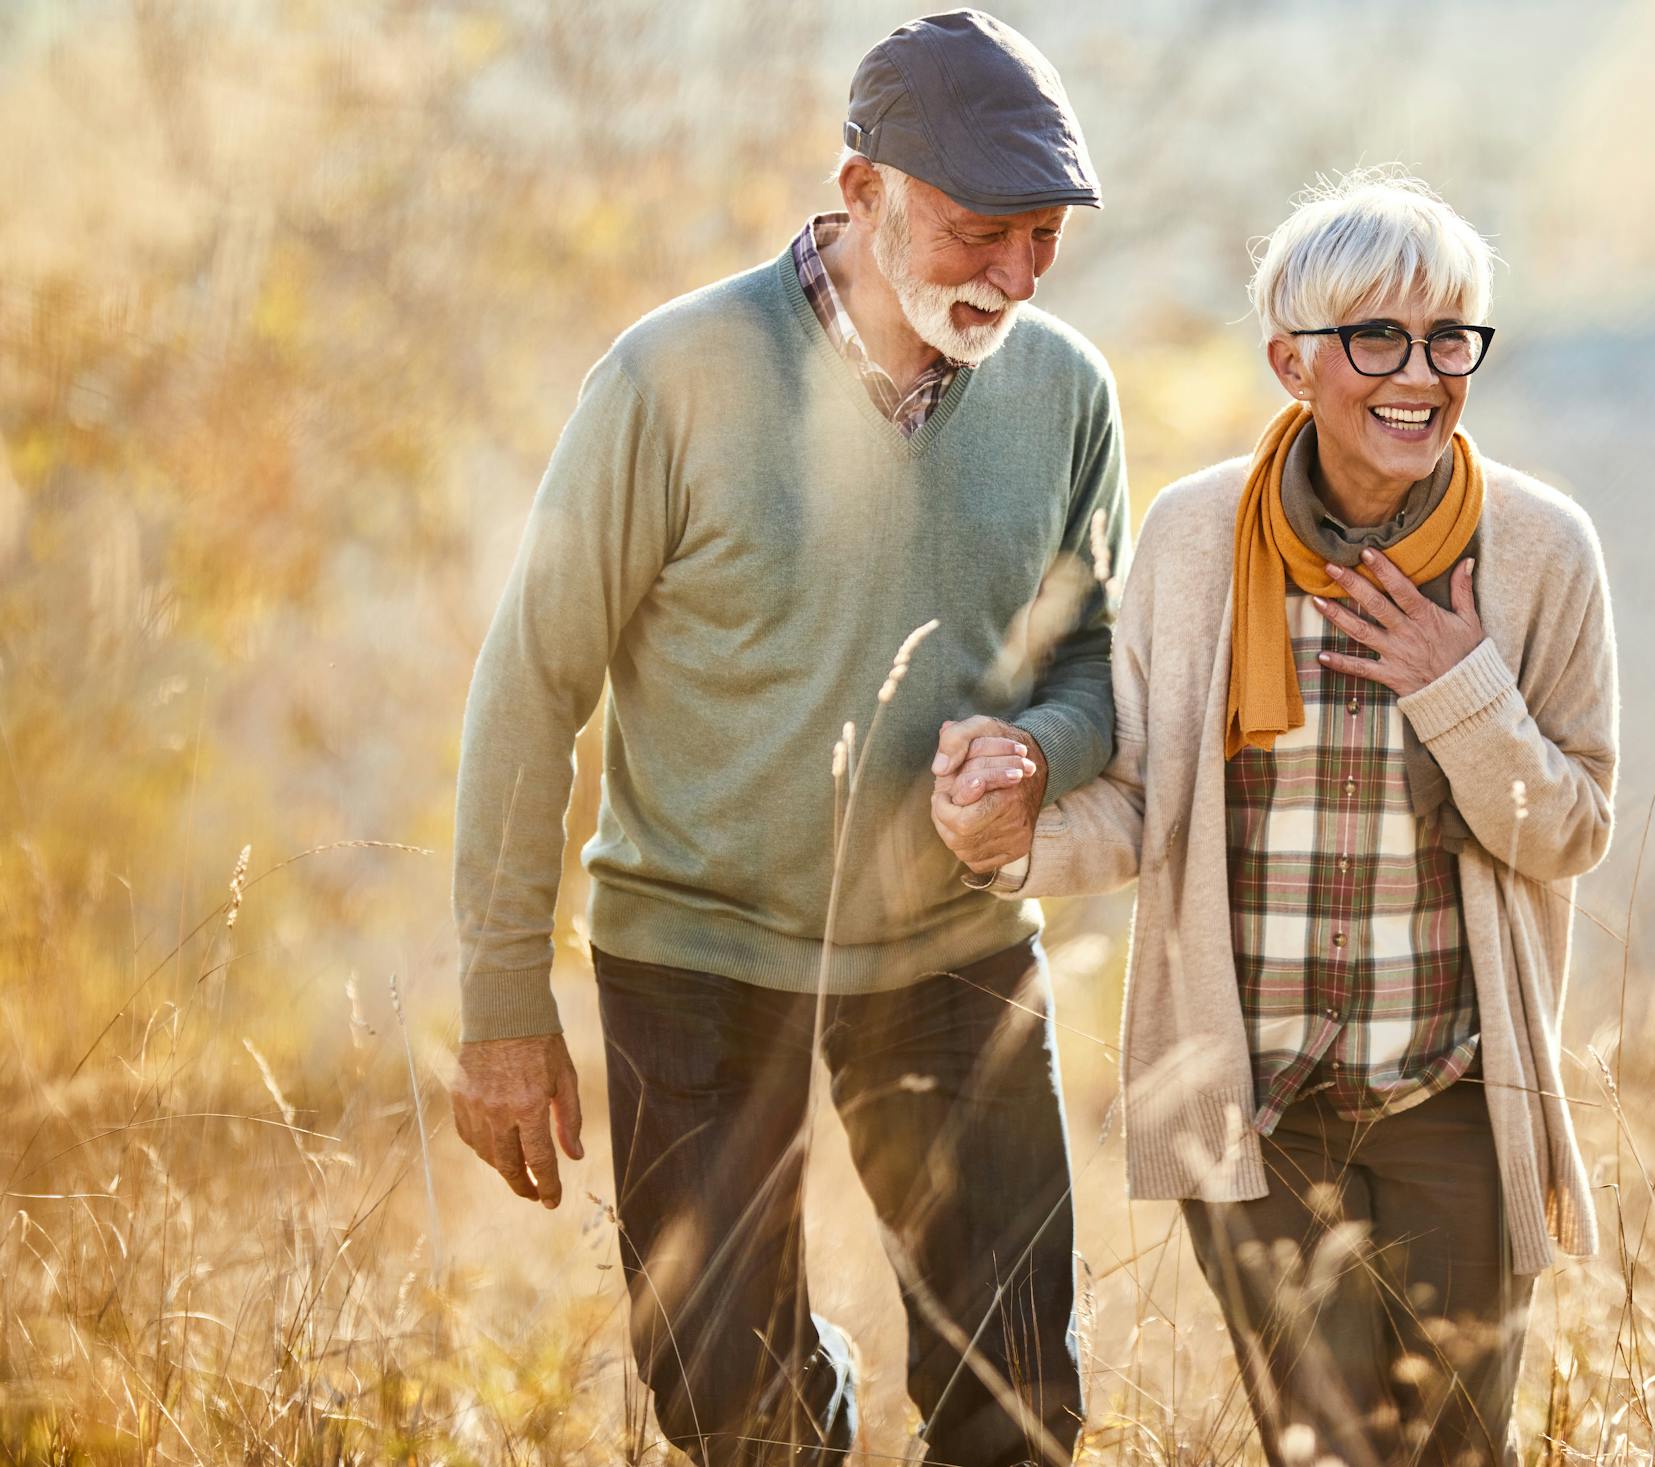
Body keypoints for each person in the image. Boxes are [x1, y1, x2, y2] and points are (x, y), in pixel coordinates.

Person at [446, 12, 1127, 1464]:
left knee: (1019, 1398)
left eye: (1043, 237)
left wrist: (1039, 756)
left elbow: (1097, 662)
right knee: (733, 1407)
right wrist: (504, 1003)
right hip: (697, 948)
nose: (1013, 274)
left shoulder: (1066, 392)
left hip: (950, 947)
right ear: (861, 186)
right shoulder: (670, 377)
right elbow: (530, 684)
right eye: (977, 229)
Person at [934, 168, 1618, 1466]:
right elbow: (1144, 804)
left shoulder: (1541, 552)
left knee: (1456, 1455)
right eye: (1377, 336)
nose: (1420, 373)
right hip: (1257, 1119)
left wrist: (1459, 687)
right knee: (1332, 1453)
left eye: (1448, 336)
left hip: (1458, 1106)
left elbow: (1574, 827)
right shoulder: (1194, 543)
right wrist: (1013, 841)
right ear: (1291, 361)